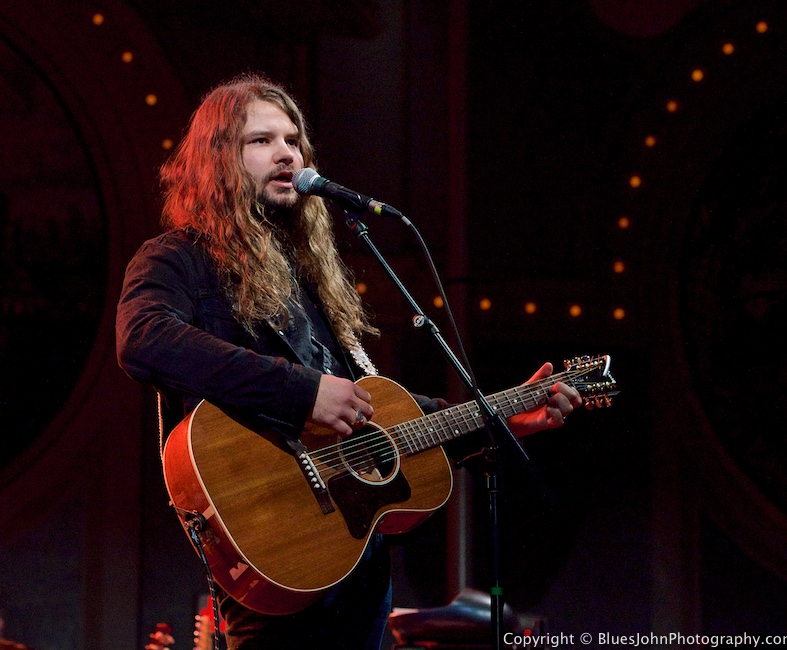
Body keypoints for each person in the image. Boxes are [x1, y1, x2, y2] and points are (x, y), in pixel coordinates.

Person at [115, 73, 582, 650]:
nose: (287, 152)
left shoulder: (311, 280)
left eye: (293, 140)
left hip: (357, 559)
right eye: (261, 141)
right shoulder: (179, 257)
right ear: (218, 162)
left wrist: (502, 419)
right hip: (275, 545)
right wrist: (302, 392)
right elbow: (144, 338)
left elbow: (381, 420)